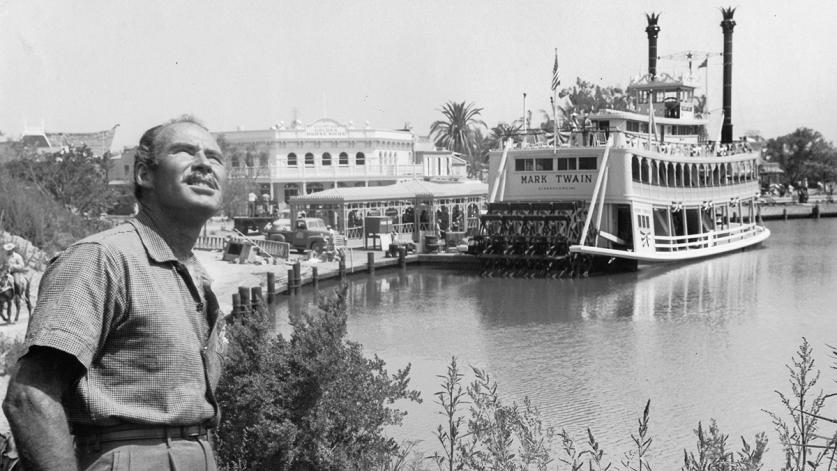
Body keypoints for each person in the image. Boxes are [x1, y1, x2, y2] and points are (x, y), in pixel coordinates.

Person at [3, 116, 227, 470]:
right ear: (144, 175)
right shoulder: (102, 259)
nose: (203, 163)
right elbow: (29, 396)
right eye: (185, 151)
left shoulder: (191, 273)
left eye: (214, 157)